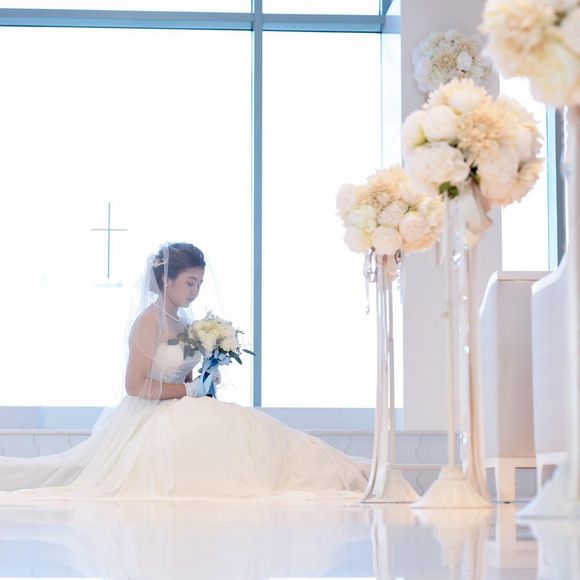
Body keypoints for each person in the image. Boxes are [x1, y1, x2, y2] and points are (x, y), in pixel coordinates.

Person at [0, 242, 370, 503]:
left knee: (252, 428)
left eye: (199, 284)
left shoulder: (184, 320)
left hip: (184, 407)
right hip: (152, 416)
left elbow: (184, 375)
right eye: (190, 282)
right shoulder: (149, 321)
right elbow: (134, 385)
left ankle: (336, 470)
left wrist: (205, 380)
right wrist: (189, 393)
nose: (195, 291)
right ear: (167, 279)